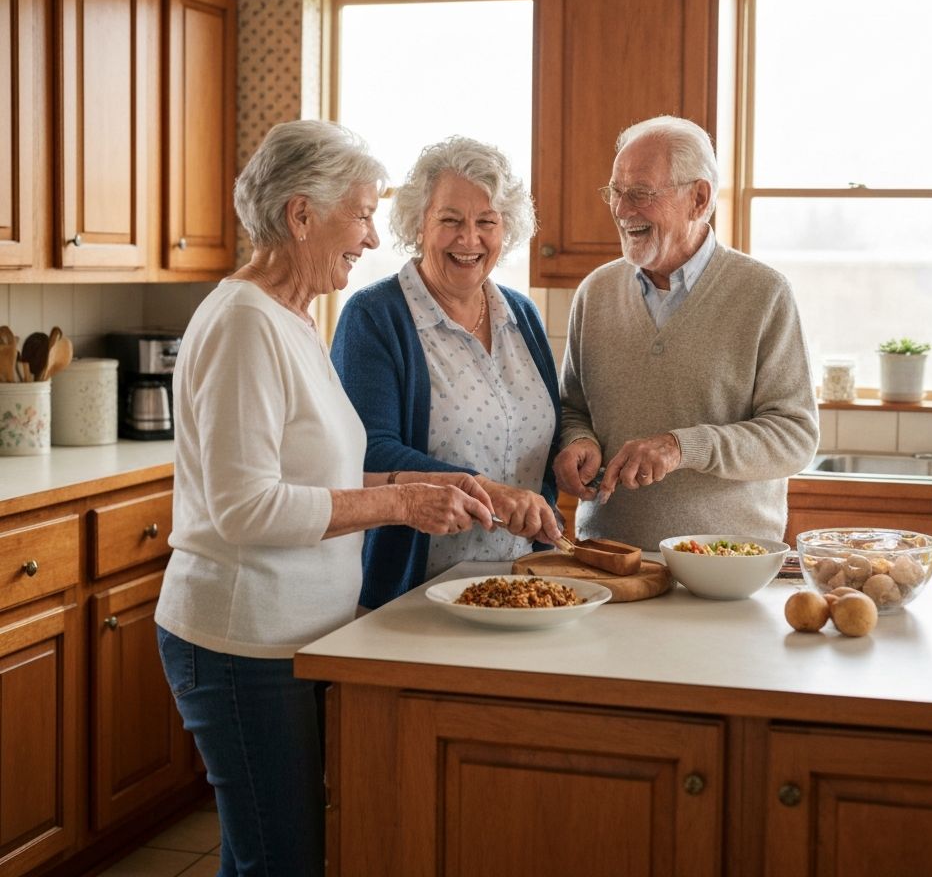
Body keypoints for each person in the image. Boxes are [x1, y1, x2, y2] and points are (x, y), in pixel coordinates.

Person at [154, 120, 496, 876]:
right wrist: (400, 508)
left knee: (264, 856)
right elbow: (247, 509)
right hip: (241, 642)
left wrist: (418, 484)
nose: (373, 238)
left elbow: (310, 477)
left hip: (291, 637)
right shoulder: (246, 323)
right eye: (364, 213)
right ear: (301, 214)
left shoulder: (290, 317)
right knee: (285, 861)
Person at [553, 116, 819, 549]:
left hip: (727, 562)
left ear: (698, 198)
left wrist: (682, 448)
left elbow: (795, 436)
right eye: (616, 193)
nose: (622, 211)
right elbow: (572, 409)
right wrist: (578, 441)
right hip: (610, 558)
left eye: (640, 193)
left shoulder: (763, 293)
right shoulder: (595, 293)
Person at [333, 135, 562, 609]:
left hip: (521, 591)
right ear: (418, 224)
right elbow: (367, 453)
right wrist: (491, 494)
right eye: (450, 220)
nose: (469, 239)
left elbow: (536, 440)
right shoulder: (374, 316)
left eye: (486, 223)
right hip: (414, 596)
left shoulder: (522, 316)